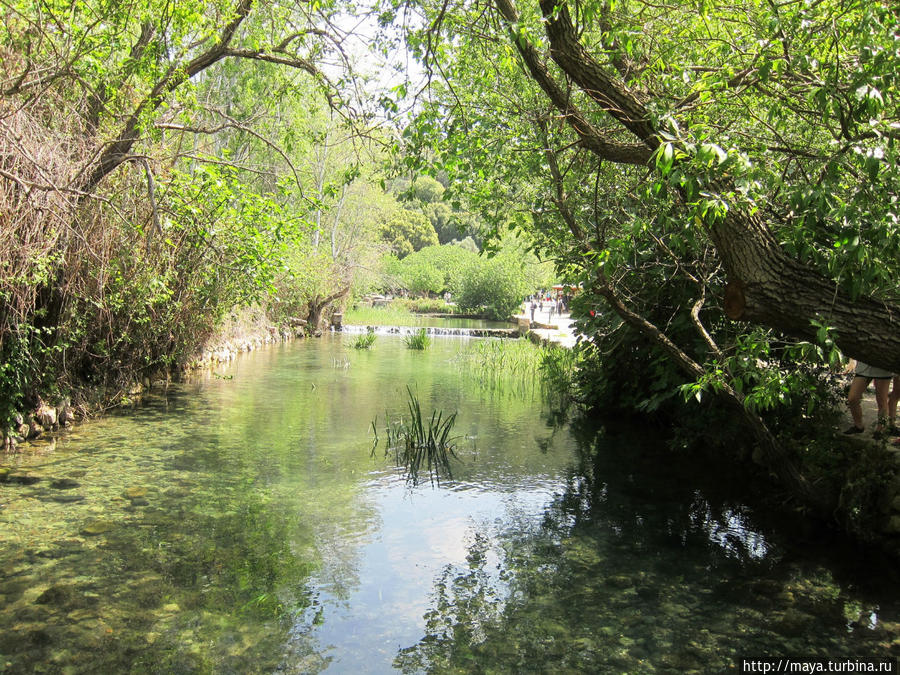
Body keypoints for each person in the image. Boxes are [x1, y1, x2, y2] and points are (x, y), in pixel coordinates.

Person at [845, 360, 895, 437]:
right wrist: (852, 360)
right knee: (852, 398)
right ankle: (858, 426)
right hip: (864, 367)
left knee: (882, 400)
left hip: (882, 368)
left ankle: (880, 430)